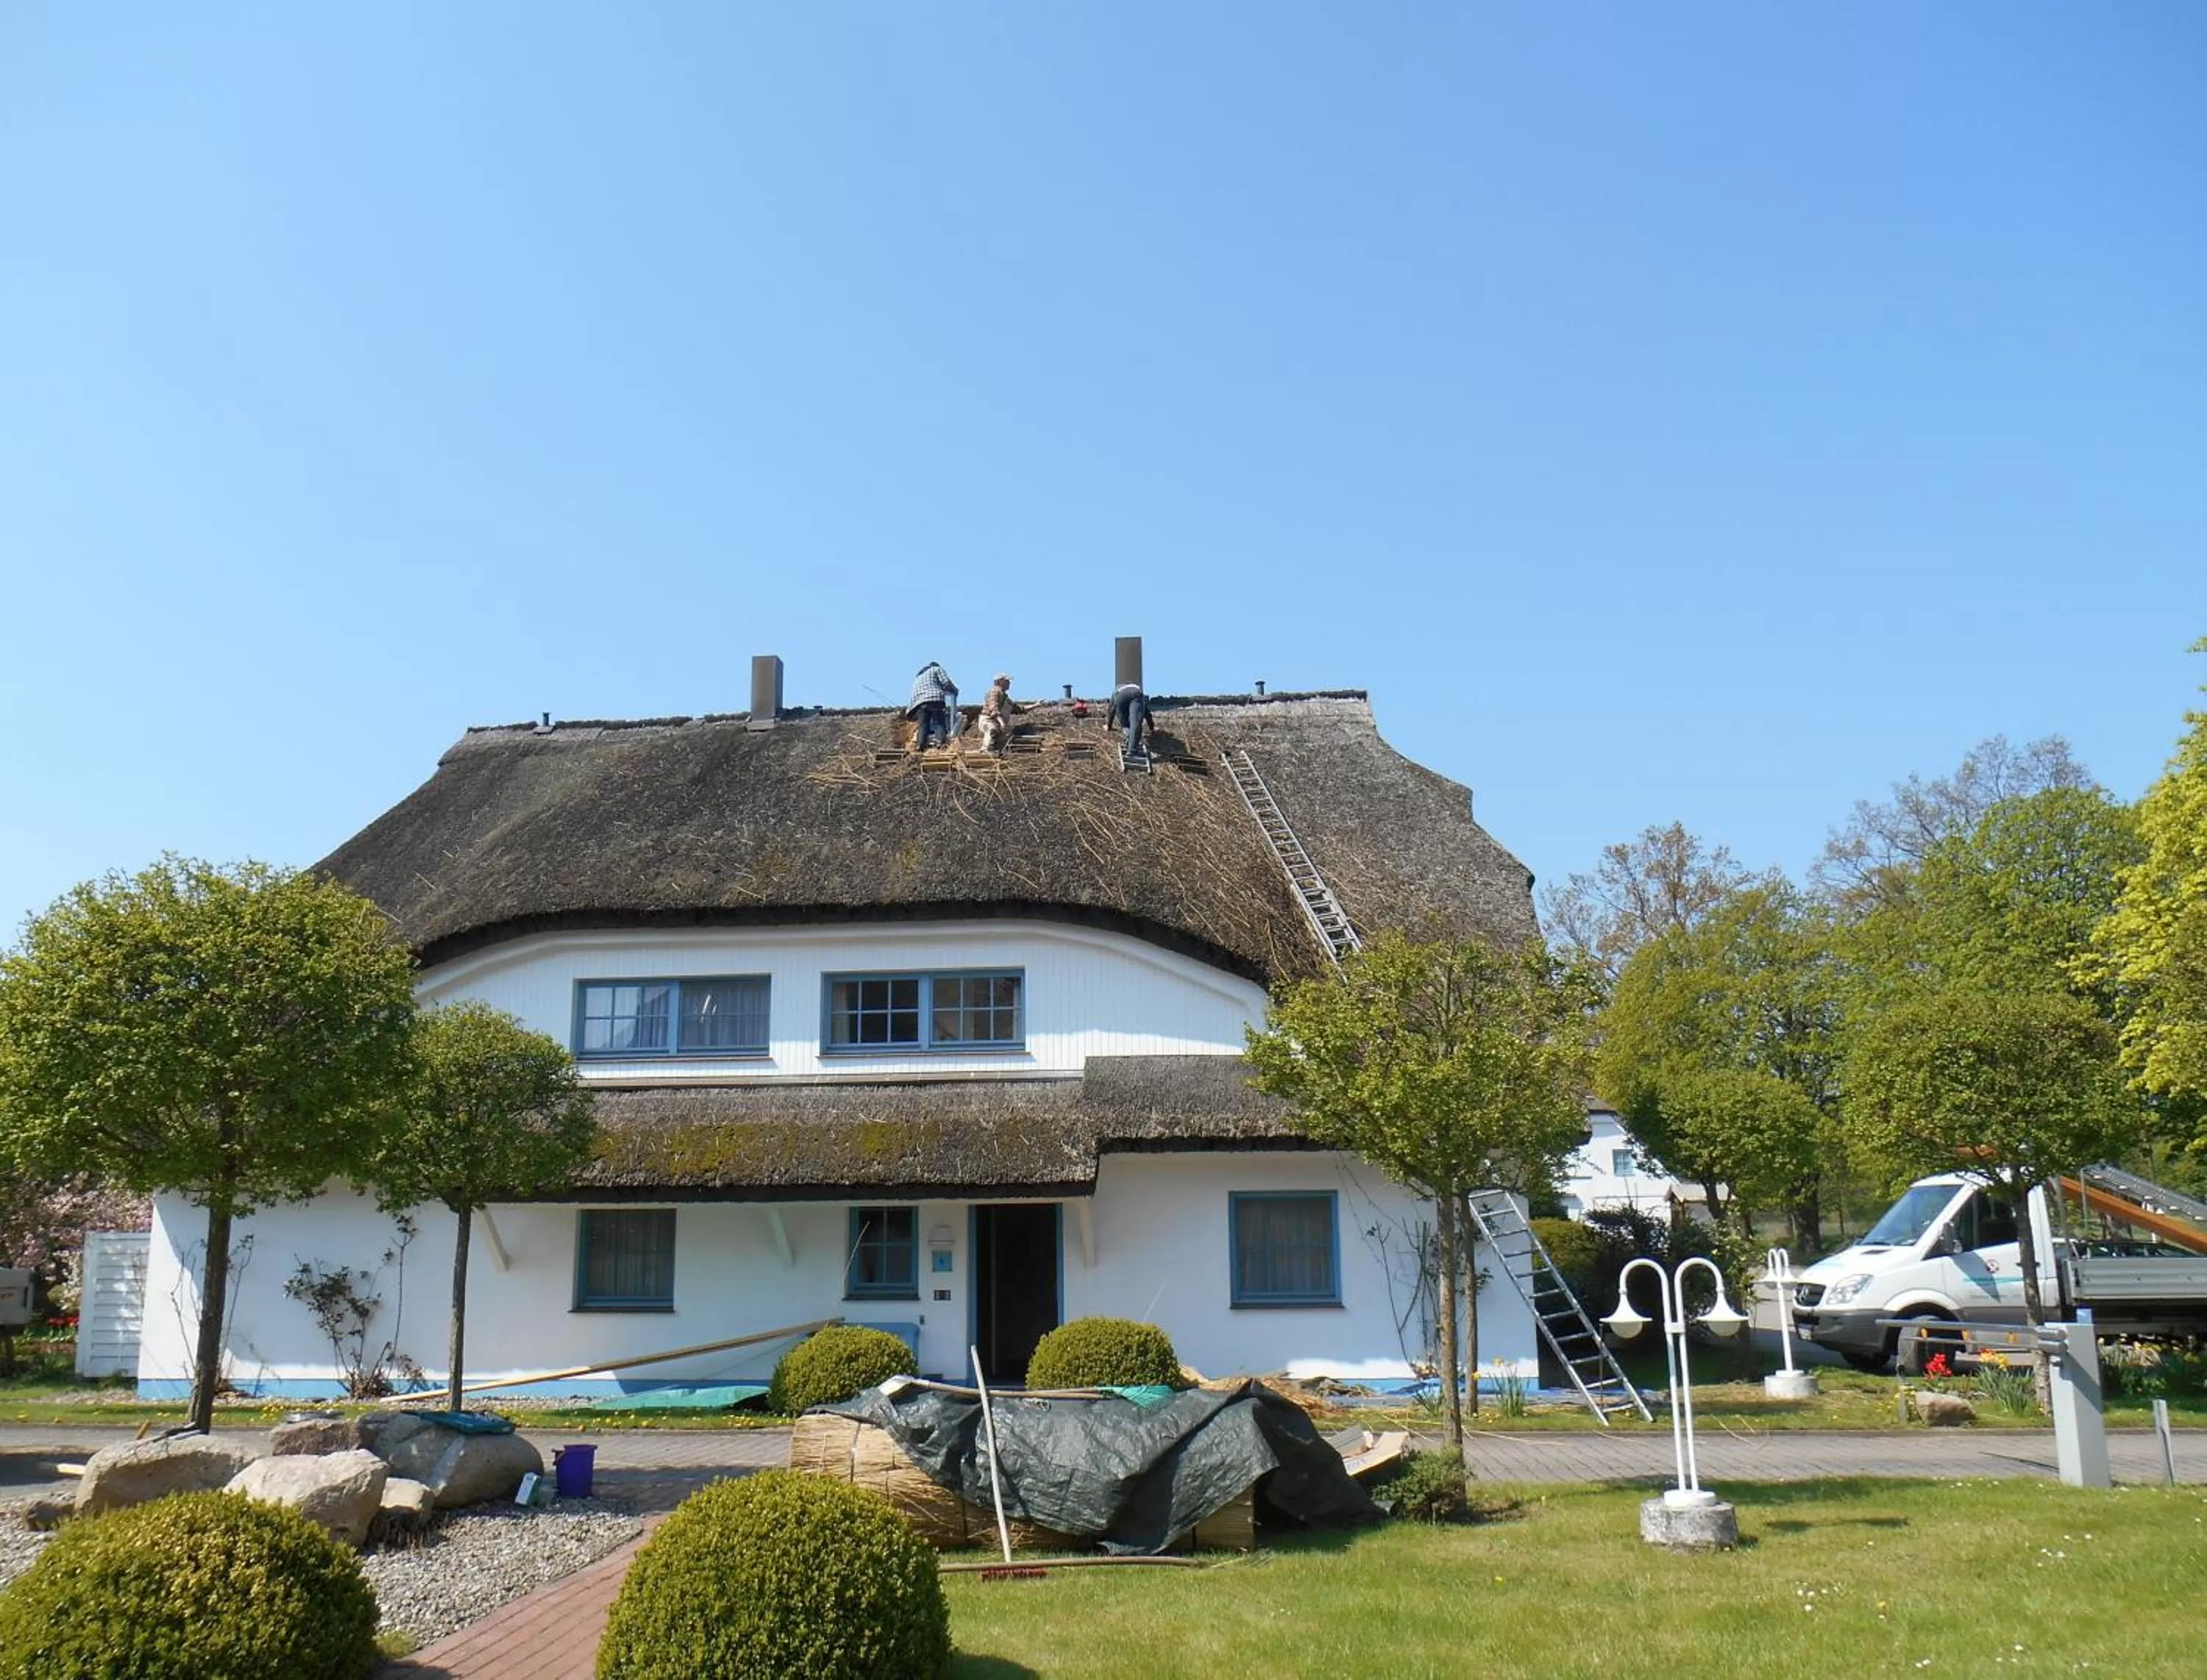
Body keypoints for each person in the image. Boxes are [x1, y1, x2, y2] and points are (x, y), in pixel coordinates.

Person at [907, 661, 956, 752]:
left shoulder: (918, 677)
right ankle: (940, 744)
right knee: (938, 723)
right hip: (934, 699)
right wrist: (954, 690)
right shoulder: (936, 669)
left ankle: (920, 746)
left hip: (920, 703)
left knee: (923, 725)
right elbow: (946, 683)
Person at [1108, 680, 1149, 757]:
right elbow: (1146, 712)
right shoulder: (1136, 688)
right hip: (1136, 695)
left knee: (1125, 725)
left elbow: (1111, 710)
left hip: (1120, 696)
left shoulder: (1117, 688)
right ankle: (1132, 750)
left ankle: (1129, 738)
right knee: (1135, 722)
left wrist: (1109, 726)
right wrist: (1151, 726)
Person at [977, 674, 1014, 754]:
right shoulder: (995, 690)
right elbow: (993, 708)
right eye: (1007, 681)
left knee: (1005, 736)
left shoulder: (1005, 697)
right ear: (1000, 681)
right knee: (992, 729)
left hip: (997, 722)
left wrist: (1036, 705)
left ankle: (998, 752)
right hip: (988, 719)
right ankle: (985, 750)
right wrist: (1002, 723)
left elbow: (1018, 709)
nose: (1009, 683)